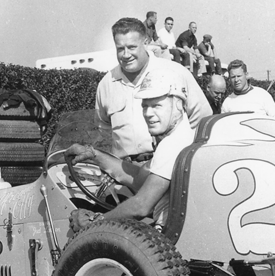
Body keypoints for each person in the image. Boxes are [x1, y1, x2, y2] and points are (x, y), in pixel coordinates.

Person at [68, 69, 195, 231]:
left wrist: (95, 221)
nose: (148, 114)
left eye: (156, 105)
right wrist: (94, 155)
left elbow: (141, 206)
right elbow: (138, 177)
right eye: (145, 106)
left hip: (165, 234)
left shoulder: (171, 144)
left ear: (178, 104)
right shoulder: (186, 136)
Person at [95, 17, 211, 162]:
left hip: (167, 167)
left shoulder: (175, 72)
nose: (125, 55)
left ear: (146, 43)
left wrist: (179, 153)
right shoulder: (106, 84)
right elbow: (104, 130)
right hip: (121, 172)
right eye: (120, 49)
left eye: (131, 47)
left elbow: (202, 119)